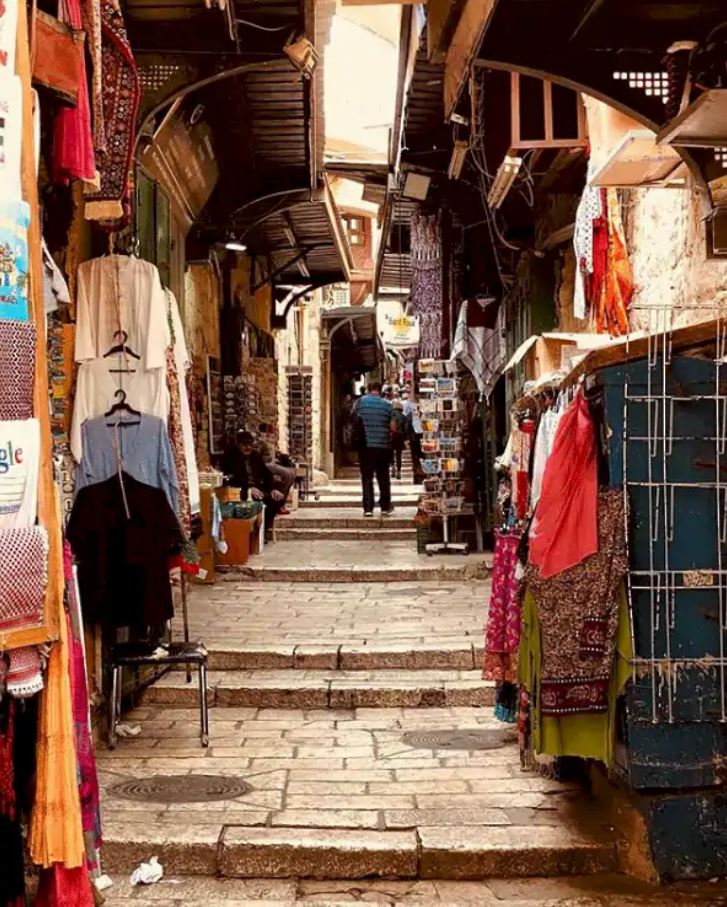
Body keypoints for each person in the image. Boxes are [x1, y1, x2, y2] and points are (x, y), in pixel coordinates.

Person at [223, 430, 285, 538]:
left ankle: (262, 531)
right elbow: (230, 480)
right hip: (240, 491)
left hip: (258, 490)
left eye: (250, 444)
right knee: (255, 500)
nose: (247, 447)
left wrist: (273, 489)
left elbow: (267, 474)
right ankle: (254, 535)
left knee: (276, 499)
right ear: (238, 445)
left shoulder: (255, 457)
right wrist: (248, 489)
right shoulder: (231, 458)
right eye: (244, 444)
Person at [356, 381, 394, 517]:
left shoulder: (360, 402)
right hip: (383, 446)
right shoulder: (388, 405)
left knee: (367, 477)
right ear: (380, 390)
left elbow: (354, 419)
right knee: (383, 477)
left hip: (366, 445)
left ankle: (368, 508)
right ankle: (385, 506)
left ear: (368, 389)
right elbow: (393, 427)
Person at [402, 391, 424, 484]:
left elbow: (406, 427)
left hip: (413, 439)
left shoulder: (410, 415)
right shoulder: (423, 414)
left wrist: (407, 438)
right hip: (422, 438)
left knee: (415, 458)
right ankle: (422, 474)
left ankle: (417, 477)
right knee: (422, 456)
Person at [390, 399, 407, 480]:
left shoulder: (389, 414)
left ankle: (392, 466)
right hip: (400, 436)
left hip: (391, 435)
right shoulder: (403, 416)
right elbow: (406, 428)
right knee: (398, 454)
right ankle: (399, 471)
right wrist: (405, 438)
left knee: (391, 452)